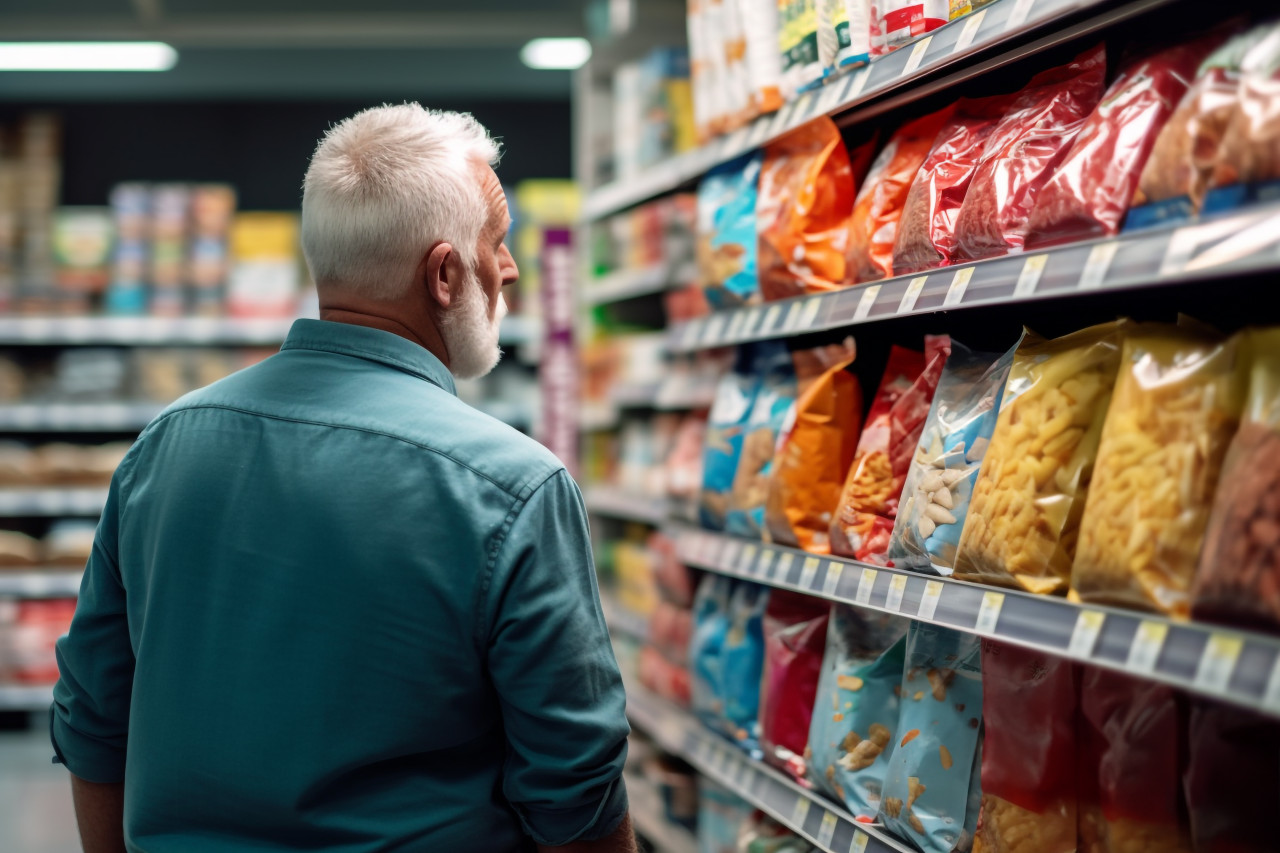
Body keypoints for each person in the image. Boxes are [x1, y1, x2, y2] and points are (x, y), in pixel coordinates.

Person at [51, 104, 635, 853]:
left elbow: (93, 717)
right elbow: (574, 784)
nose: (512, 268)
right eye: (498, 242)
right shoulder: (514, 485)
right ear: (445, 273)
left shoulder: (164, 447)